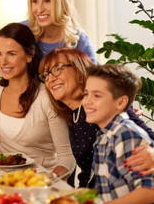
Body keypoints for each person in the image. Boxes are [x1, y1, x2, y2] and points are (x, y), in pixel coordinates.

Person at [39, 48, 154, 187]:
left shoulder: (101, 108)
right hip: (89, 194)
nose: (50, 78)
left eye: (57, 69)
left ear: (80, 68)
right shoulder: (71, 115)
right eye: (46, 75)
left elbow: (148, 137)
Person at [0, 23, 75, 176]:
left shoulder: (46, 97)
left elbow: (67, 158)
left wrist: (47, 183)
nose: (2, 62)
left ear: (29, 55)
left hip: (40, 184)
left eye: (11, 54)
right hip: (2, 183)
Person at [83, 64, 154, 204]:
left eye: (97, 95)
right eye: (86, 94)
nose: (87, 101)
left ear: (121, 102)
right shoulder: (103, 135)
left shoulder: (126, 134)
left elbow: (150, 192)